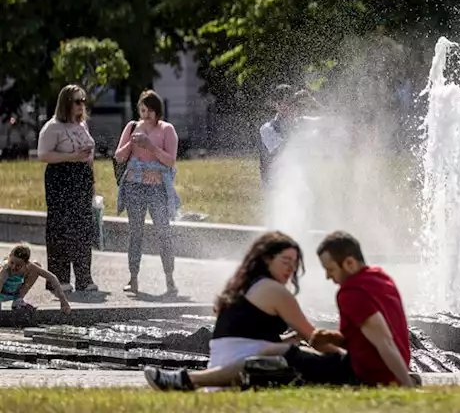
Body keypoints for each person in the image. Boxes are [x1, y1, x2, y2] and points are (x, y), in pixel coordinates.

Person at [143, 231, 329, 391]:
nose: (291, 268)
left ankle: (184, 380)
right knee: (300, 356)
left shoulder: (242, 286)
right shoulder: (273, 289)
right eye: (286, 261)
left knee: (291, 350)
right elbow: (313, 336)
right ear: (267, 259)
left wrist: (292, 338)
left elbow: (248, 340)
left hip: (222, 371)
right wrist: (346, 355)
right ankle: (185, 380)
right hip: (238, 372)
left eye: (295, 263)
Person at [285, 231, 417, 387]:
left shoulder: (351, 293)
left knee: (290, 355)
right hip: (384, 368)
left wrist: (405, 383)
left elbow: (384, 341)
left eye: (331, 269)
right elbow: (370, 340)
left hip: (368, 375)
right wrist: (331, 338)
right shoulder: (382, 278)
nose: (328, 276)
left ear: (349, 263)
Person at [114, 90, 180, 296]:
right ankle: (133, 279)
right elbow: (118, 156)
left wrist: (150, 146)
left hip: (157, 188)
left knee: (164, 233)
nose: (146, 115)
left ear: (158, 111)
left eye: (151, 110)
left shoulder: (167, 129)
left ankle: (170, 279)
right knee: (135, 233)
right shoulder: (132, 127)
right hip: (134, 187)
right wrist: (132, 143)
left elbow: (170, 161)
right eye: (143, 110)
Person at [37, 84, 98, 293]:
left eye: (83, 101)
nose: (82, 105)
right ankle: (59, 278)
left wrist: (93, 184)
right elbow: (43, 155)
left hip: (82, 177)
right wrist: (71, 157)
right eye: (77, 101)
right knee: (60, 228)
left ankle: (84, 277)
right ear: (66, 103)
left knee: (83, 227)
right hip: (60, 177)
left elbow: (89, 157)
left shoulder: (82, 126)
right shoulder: (53, 127)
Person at [0, 244, 71, 314]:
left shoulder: (29, 266)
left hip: (13, 293)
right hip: (1, 293)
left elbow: (52, 278)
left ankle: (18, 300)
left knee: (37, 266)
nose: (13, 267)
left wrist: (63, 301)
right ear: (9, 257)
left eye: (18, 265)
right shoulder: (5, 270)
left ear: (26, 263)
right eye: (11, 263)